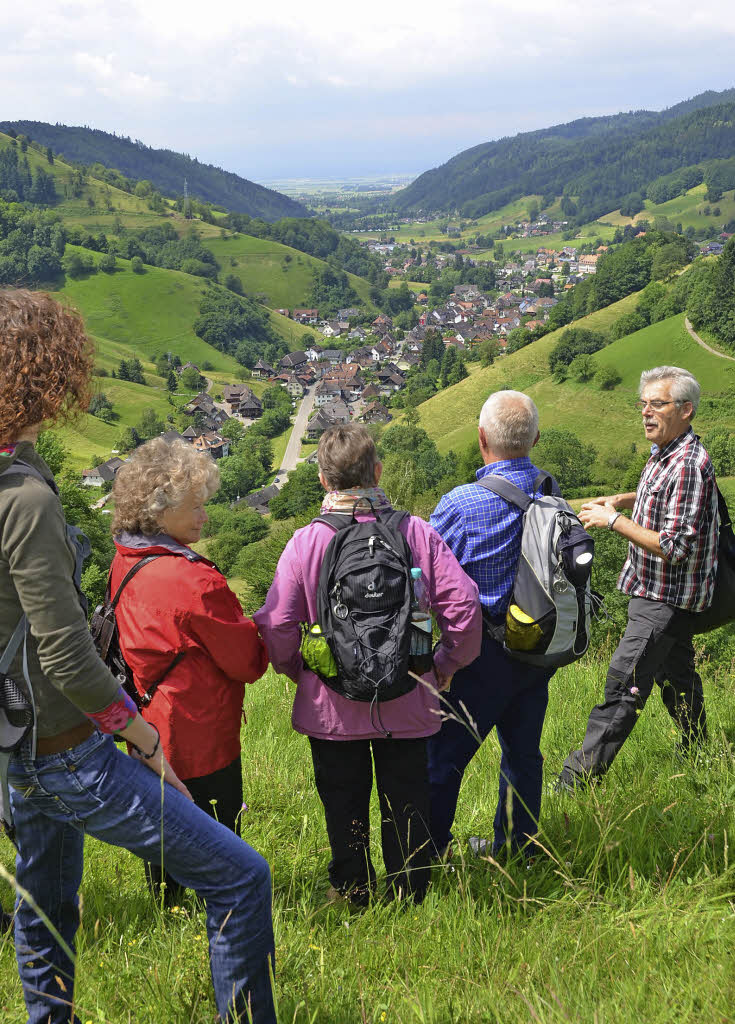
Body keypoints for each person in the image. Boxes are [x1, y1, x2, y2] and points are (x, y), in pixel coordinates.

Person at [0, 289, 276, 1024]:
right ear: (43, 376)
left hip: (14, 745)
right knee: (242, 878)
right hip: (64, 747)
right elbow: (62, 648)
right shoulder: (24, 498)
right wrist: (139, 734)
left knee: (46, 901)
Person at [254, 423, 482, 905]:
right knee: (407, 799)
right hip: (409, 692)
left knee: (343, 800)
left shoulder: (305, 542)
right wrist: (444, 665)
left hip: (332, 704)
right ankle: (410, 892)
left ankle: (353, 889)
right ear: (378, 471)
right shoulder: (414, 531)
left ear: (322, 480)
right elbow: (463, 607)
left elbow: (276, 624)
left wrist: (300, 672)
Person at [109, 436, 269, 902]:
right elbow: (248, 662)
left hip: (146, 726)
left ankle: (168, 913)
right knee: (217, 838)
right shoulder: (194, 580)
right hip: (200, 732)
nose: (204, 516)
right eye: (195, 507)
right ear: (159, 512)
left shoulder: (126, 560)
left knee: (161, 833)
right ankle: (223, 908)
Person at [556, 366, 717, 790]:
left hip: (664, 596)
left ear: (686, 410)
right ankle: (700, 752)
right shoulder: (667, 451)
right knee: (677, 677)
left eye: (657, 404)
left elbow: (675, 546)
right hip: (665, 595)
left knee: (623, 685)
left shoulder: (686, 464)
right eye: (642, 404)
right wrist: (626, 497)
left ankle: (575, 781)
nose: (646, 412)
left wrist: (614, 520)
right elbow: (663, 496)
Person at [427, 390, 556, 860]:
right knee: (523, 753)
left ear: (481, 438)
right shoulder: (548, 489)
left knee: (443, 757)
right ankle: (518, 847)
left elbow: (423, 573)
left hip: (477, 654)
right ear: (535, 438)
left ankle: (428, 853)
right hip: (535, 648)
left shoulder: (462, 503)